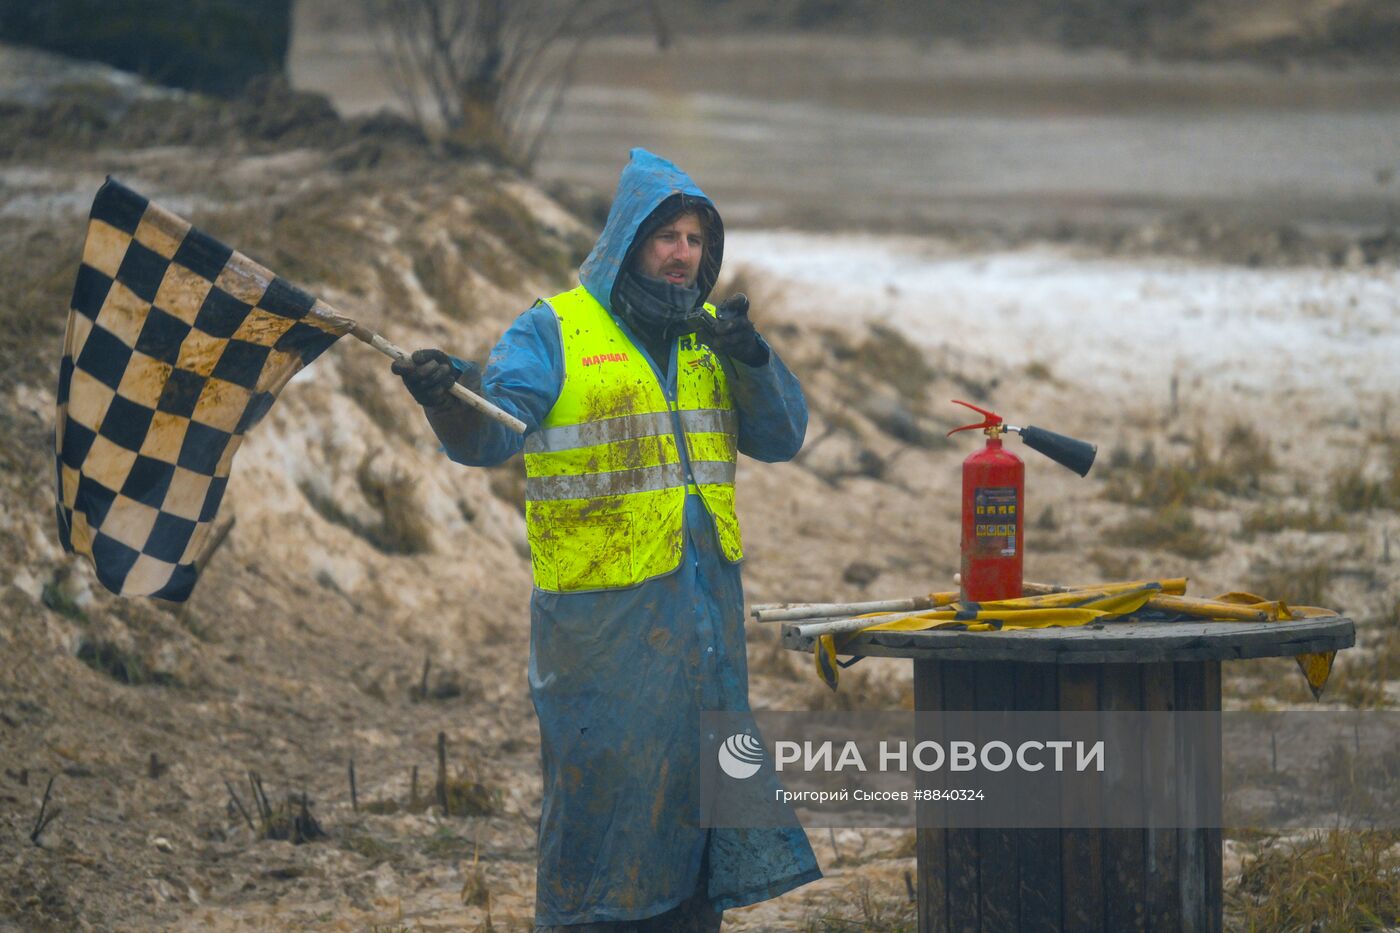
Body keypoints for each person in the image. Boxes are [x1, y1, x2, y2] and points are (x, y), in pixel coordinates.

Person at [393, 148, 820, 931]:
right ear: (628, 239)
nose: (683, 254)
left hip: (703, 627)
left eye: (696, 239)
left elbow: (784, 433)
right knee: (602, 823)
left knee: (700, 819)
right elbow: (490, 432)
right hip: (599, 635)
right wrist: (447, 392)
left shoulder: (709, 339)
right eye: (668, 236)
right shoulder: (553, 328)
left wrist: (752, 357)